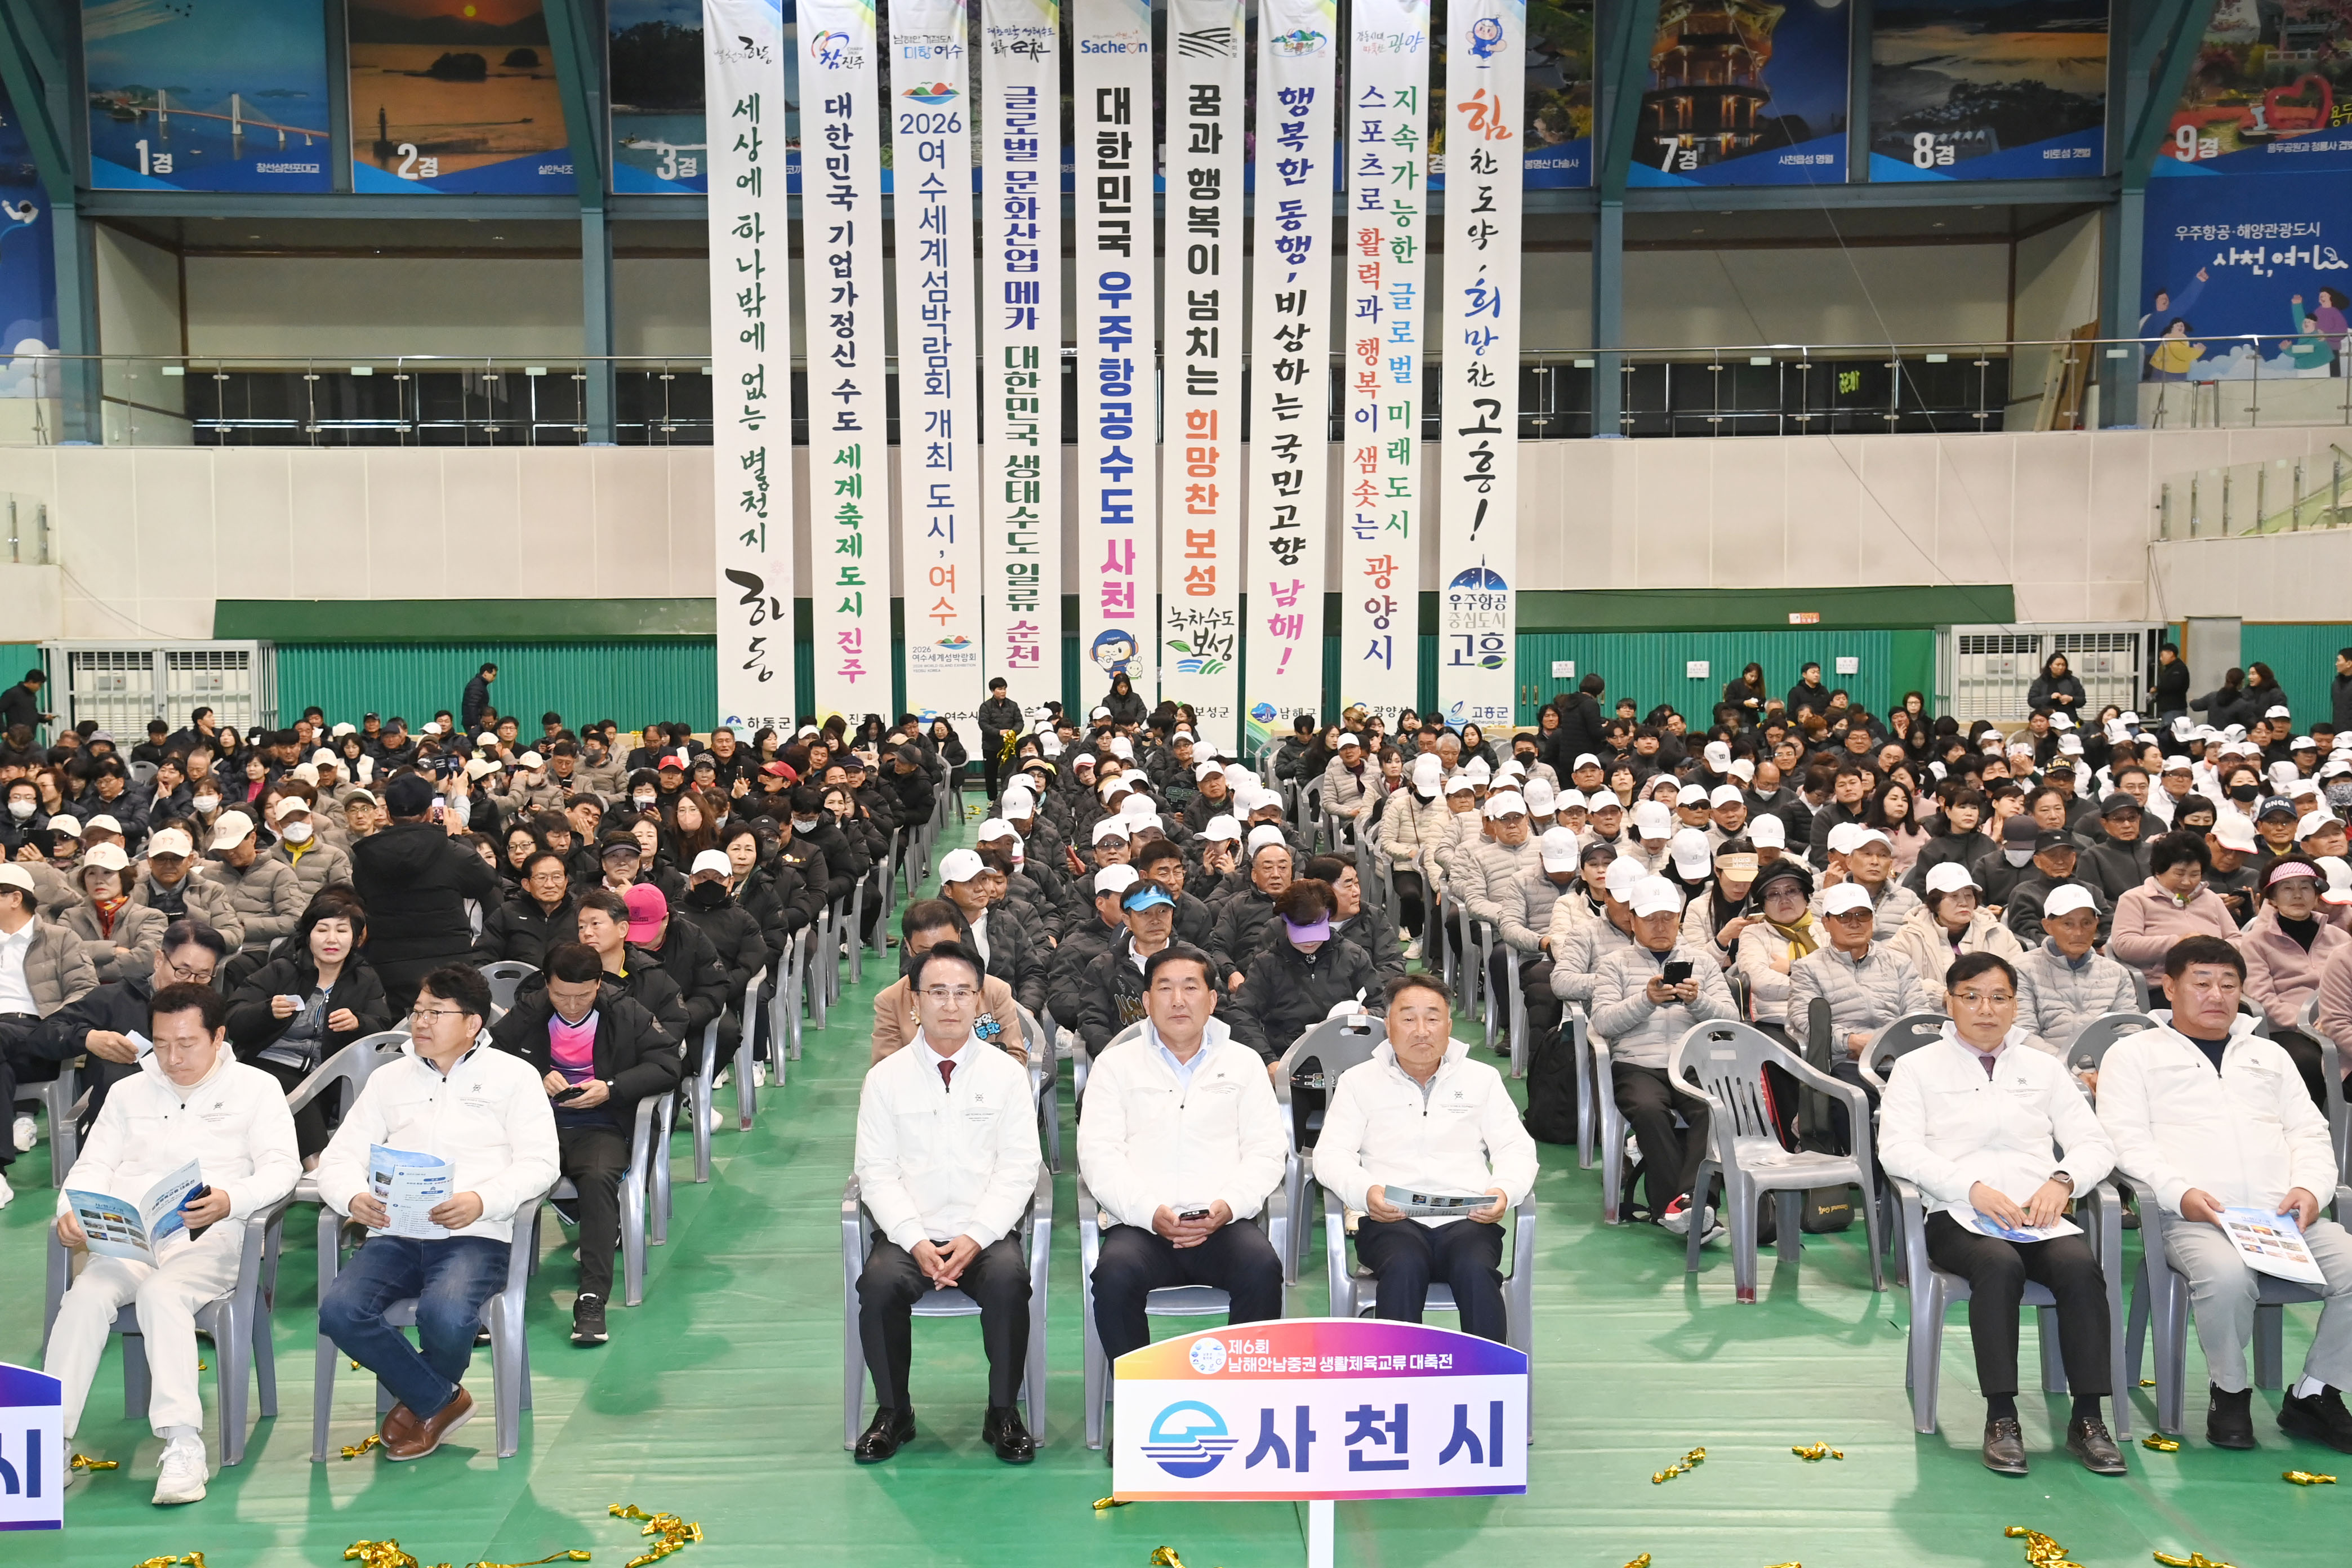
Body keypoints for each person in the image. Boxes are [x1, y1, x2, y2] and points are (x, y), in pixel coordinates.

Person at [44, 982, 299, 1504]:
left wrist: (233, 1198)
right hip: (131, 1239)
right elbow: (93, 1166)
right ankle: (53, 1442)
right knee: (86, 1296)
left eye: (186, 1044)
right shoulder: (128, 1091)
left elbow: (283, 1168)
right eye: (161, 1044)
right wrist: (68, 1210)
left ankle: (182, 1443)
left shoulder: (256, 1088)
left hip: (213, 1236)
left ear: (218, 1037)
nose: (172, 1057)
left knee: (165, 1294)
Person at [2097, 935, 2352, 1453]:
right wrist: (2182, 1193)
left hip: (2282, 1220)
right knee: (2227, 1276)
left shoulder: (2269, 1055)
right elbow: (2126, 1142)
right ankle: (2229, 1391)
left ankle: (2315, 1392)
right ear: (2169, 988)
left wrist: (2309, 1188)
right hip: (2192, 1218)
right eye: (2202, 983)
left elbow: (2309, 1131)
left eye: (2228, 984)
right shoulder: (2133, 1055)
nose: (2216, 995)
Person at [1877, 952, 2125, 1477]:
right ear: (1949, 1003)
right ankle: (2002, 1416)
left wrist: (2063, 1181)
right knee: (1999, 1265)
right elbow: (1896, 1150)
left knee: (2080, 1267)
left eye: (1999, 997)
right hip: (1956, 1214)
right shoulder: (1916, 1068)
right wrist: (1968, 1187)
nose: (1985, 1009)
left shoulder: (2042, 1067)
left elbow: (2095, 1143)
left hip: (2037, 1215)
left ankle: (2088, 1419)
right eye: (1971, 997)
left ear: (2016, 1005)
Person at [315, 964, 559, 1462]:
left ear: (472, 1024)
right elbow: (339, 1158)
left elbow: (542, 1164)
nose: (420, 1022)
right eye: (417, 1011)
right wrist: (352, 1198)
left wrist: (481, 1201)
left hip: (477, 1233)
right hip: (395, 1234)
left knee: (445, 1316)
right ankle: (440, 1399)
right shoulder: (388, 1080)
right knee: (339, 1311)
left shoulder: (514, 1077)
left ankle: (423, 1401)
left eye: (435, 1013)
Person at [849, 939, 1042, 1463]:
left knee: (1007, 1280)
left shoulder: (1006, 1075)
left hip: (986, 1231)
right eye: (938, 992)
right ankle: (895, 1411)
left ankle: (1002, 1412)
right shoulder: (885, 1079)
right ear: (915, 1001)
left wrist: (977, 1235)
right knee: (880, 1283)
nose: (951, 1005)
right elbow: (876, 1172)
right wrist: (914, 1239)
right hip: (909, 1233)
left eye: (963, 993)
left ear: (981, 1002)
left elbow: (1021, 1166)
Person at [1078, 943, 1286, 1366]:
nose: (1177, 1001)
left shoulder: (1243, 1064)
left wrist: (1228, 1207)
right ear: (1146, 1001)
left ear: (1212, 1000)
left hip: (1223, 1222)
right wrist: (1147, 1210)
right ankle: (1143, 1407)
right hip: (1143, 1225)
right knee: (1113, 1276)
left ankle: (1242, 1403)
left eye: (1190, 988)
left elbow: (1266, 1151)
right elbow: (1099, 1155)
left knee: (1263, 1269)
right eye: (1165, 988)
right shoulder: (1114, 1066)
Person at [1312, 972, 1538, 1341]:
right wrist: (1366, 1193)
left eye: (1433, 1018)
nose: (1422, 1030)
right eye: (1408, 1018)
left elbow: (1516, 1149)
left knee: (1476, 1270)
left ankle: (1489, 1387)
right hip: (1390, 1220)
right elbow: (1331, 1156)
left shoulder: (1481, 1079)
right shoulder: (1359, 1081)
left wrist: (1503, 1193)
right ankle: (1399, 1387)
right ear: (1388, 1025)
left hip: (1468, 1220)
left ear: (1449, 1025)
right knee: (1402, 1266)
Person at [489, 941, 680, 1346]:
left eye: (583, 996)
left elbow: (667, 1065)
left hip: (601, 1125)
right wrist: (536, 1075)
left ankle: (591, 1298)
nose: (572, 1006)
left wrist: (611, 1088)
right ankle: (488, 1294)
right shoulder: (530, 1010)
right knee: (497, 1176)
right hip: (536, 1126)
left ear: (599, 984)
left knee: (597, 1179)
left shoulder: (626, 1012)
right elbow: (490, 1055)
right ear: (546, 984)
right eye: (561, 996)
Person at [1590, 875, 1739, 1233]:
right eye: (1650, 918)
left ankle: (1687, 1203)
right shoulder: (1615, 964)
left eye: (1668, 918)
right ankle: (1689, 1207)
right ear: (1633, 920)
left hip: (1692, 1063)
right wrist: (1646, 1001)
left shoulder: (1701, 962)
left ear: (1679, 920)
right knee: (1648, 1110)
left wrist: (1697, 1001)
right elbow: (1603, 1021)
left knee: (1714, 1109)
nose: (1660, 926)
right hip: (1638, 1065)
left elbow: (1732, 1020)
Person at [225, 893, 392, 1160]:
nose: (332, 939)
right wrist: (267, 1012)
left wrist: (359, 1023)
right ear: (308, 935)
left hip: (328, 1074)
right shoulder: (281, 970)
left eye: (342, 930)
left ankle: (313, 1166)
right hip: (269, 1066)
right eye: (322, 930)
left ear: (356, 938)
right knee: (288, 1089)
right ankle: (316, 1166)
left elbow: (383, 1031)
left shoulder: (365, 978)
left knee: (311, 1094)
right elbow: (233, 1018)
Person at [350, 774, 501, 1013]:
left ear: (388, 815)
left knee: (401, 1036)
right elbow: (487, 880)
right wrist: (458, 837)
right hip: (449, 968)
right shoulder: (452, 852)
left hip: (389, 968)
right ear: (431, 813)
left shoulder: (364, 858)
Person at [0, 860, 99, 1201]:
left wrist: (53, 1022)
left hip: (40, 1033)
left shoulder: (59, 938)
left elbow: (85, 989)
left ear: (15, 898)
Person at [2233, 856, 2351, 1108]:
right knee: (2307, 1063)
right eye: (2287, 888)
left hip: (2339, 1023)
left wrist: (2334, 1022)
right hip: (2288, 1029)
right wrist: (2306, 1023)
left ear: (2318, 895)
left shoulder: (2339, 937)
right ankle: (2312, 1133)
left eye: (2306, 887)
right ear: (2272, 899)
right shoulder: (2256, 942)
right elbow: (2261, 998)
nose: (2298, 894)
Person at [872, 899, 1024, 1064]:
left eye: (946, 948)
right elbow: (886, 1068)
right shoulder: (891, 1000)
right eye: (925, 953)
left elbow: (1015, 1058)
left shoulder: (995, 991)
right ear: (908, 947)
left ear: (959, 937)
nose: (937, 961)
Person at [2106, 831, 2238, 1002]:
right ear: (2159, 870)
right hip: (2164, 988)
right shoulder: (2135, 899)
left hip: (2216, 984)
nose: (2187, 882)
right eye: (2179, 873)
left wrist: (2213, 948)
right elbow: (2124, 945)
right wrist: (2180, 942)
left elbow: (2237, 940)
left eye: (2195, 874)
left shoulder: (2211, 899)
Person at [1886, 862, 2023, 1012]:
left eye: (1969, 895)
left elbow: (2020, 977)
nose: (1964, 903)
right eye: (1954, 896)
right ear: (1935, 902)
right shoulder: (1909, 935)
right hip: (1931, 1018)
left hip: (1991, 1014)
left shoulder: (1998, 932)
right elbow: (1897, 978)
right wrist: (1943, 996)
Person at [0, 666, 51, 736]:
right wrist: (3, 731)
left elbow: (31, 714)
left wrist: (44, 718)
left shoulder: (32, 696)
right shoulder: (13, 693)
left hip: (30, 736)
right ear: (31, 682)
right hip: (16, 737)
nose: (40, 688)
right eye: (39, 685)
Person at [461, 662, 498, 733]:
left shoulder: (479, 684)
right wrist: (474, 724)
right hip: (475, 723)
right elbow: (472, 705)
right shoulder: (477, 685)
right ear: (486, 673)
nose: (494, 678)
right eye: (493, 675)